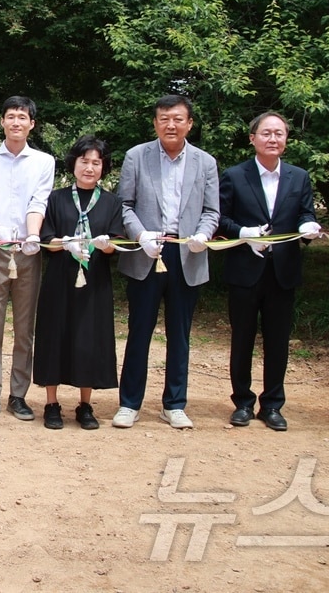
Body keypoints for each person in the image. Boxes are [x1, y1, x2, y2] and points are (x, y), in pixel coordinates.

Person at [116, 94, 219, 430]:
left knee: (180, 333)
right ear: (155, 122)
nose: (170, 124)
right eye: (164, 118)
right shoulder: (137, 156)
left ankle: (174, 403)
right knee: (139, 331)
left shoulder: (205, 162)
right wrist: (140, 235)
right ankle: (129, 403)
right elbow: (125, 205)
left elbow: (212, 211)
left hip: (186, 253)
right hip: (148, 251)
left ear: (189, 123)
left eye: (177, 118)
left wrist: (203, 234)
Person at [218, 112, 322, 432]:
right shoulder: (235, 176)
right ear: (253, 139)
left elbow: (306, 212)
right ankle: (243, 402)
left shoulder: (298, 177)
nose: (273, 139)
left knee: (278, 341)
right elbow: (220, 218)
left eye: (279, 134)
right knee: (243, 339)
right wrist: (243, 233)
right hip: (245, 270)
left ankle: (273, 404)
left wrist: (308, 226)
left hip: (282, 271)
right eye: (266, 133)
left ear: (286, 140)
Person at [33, 136, 125, 431]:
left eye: (96, 163)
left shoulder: (112, 202)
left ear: (103, 167)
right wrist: (66, 243)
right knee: (54, 335)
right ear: (73, 163)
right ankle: (51, 403)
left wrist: (104, 243)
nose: (89, 167)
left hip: (95, 279)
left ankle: (85, 404)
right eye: (84, 161)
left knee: (90, 338)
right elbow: (46, 239)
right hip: (59, 277)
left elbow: (117, 242)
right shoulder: (56, 198)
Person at [0, 96, 55, 423]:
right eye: (11, 116)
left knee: (25, 328)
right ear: (2, 122)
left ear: (32, 123)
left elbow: (40, 200)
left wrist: (32, 235)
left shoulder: (44, 161)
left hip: (28, 250)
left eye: (23, 117)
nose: (17, 122)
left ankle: (18, 395)